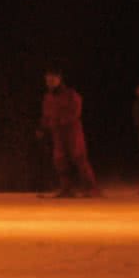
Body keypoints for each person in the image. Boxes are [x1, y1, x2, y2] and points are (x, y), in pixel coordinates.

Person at [39, 68, 99, 197]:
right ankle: (67, 188)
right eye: (47, 80)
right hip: (57, 133)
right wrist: (43, 127)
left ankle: (91, 188)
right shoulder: (48, 97)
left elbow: (75, 111)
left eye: (52, 80)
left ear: (59, 79)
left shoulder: (70, 94)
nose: (49, 83)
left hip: (72, 131)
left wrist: (61, 121)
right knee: (60, 160)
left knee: (79, 157)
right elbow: (46, 114)